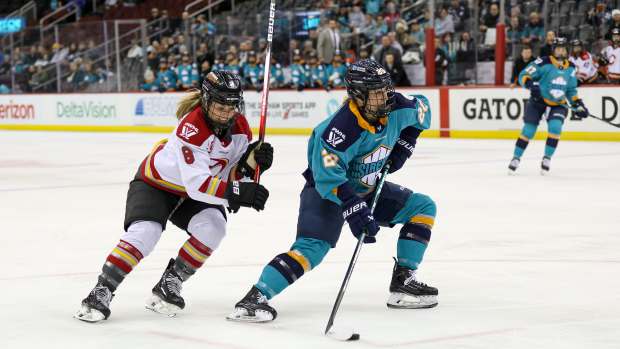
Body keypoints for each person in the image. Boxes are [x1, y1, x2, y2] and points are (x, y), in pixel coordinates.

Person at [227, 59, 438, 323]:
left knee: (422, 207)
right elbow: (328, 178)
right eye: (376, 92)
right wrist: (353, 207)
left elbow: (424, 108)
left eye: (386, 89)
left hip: (367, 187)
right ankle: (255, 297)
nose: (385, 96)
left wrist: (407, 142)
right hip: (326, 192)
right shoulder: (338, 130)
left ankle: (403, 280)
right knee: (312, 248)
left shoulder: (397, 105)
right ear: (358, 96)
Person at [74, 71, 274, 322]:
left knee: (214, 227)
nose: (225, 112)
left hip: (193, 188)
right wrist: (237, 193)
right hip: (157, 184)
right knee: (146, 231)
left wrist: (251, 164)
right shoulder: (192, 128)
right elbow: (198, 185)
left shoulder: (241, 127)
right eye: (220, 106)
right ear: (206, 100)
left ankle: (170, 282)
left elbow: (227, 173)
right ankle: (101, 291)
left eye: (231, 106)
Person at [509, 38, 589, 175]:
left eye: (563, 48)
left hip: (558, 104)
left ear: (567, 50)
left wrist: (578, 104)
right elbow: (524, 75)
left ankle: (547, 158)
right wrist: (531, 86)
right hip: (537, 101)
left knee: (555, 128)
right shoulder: (543, 62)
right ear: (553, 50)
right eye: (558, 48)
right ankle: (516, 158)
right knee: (528, 131)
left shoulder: (571, 67)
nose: (561, 51)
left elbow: (571, 90)